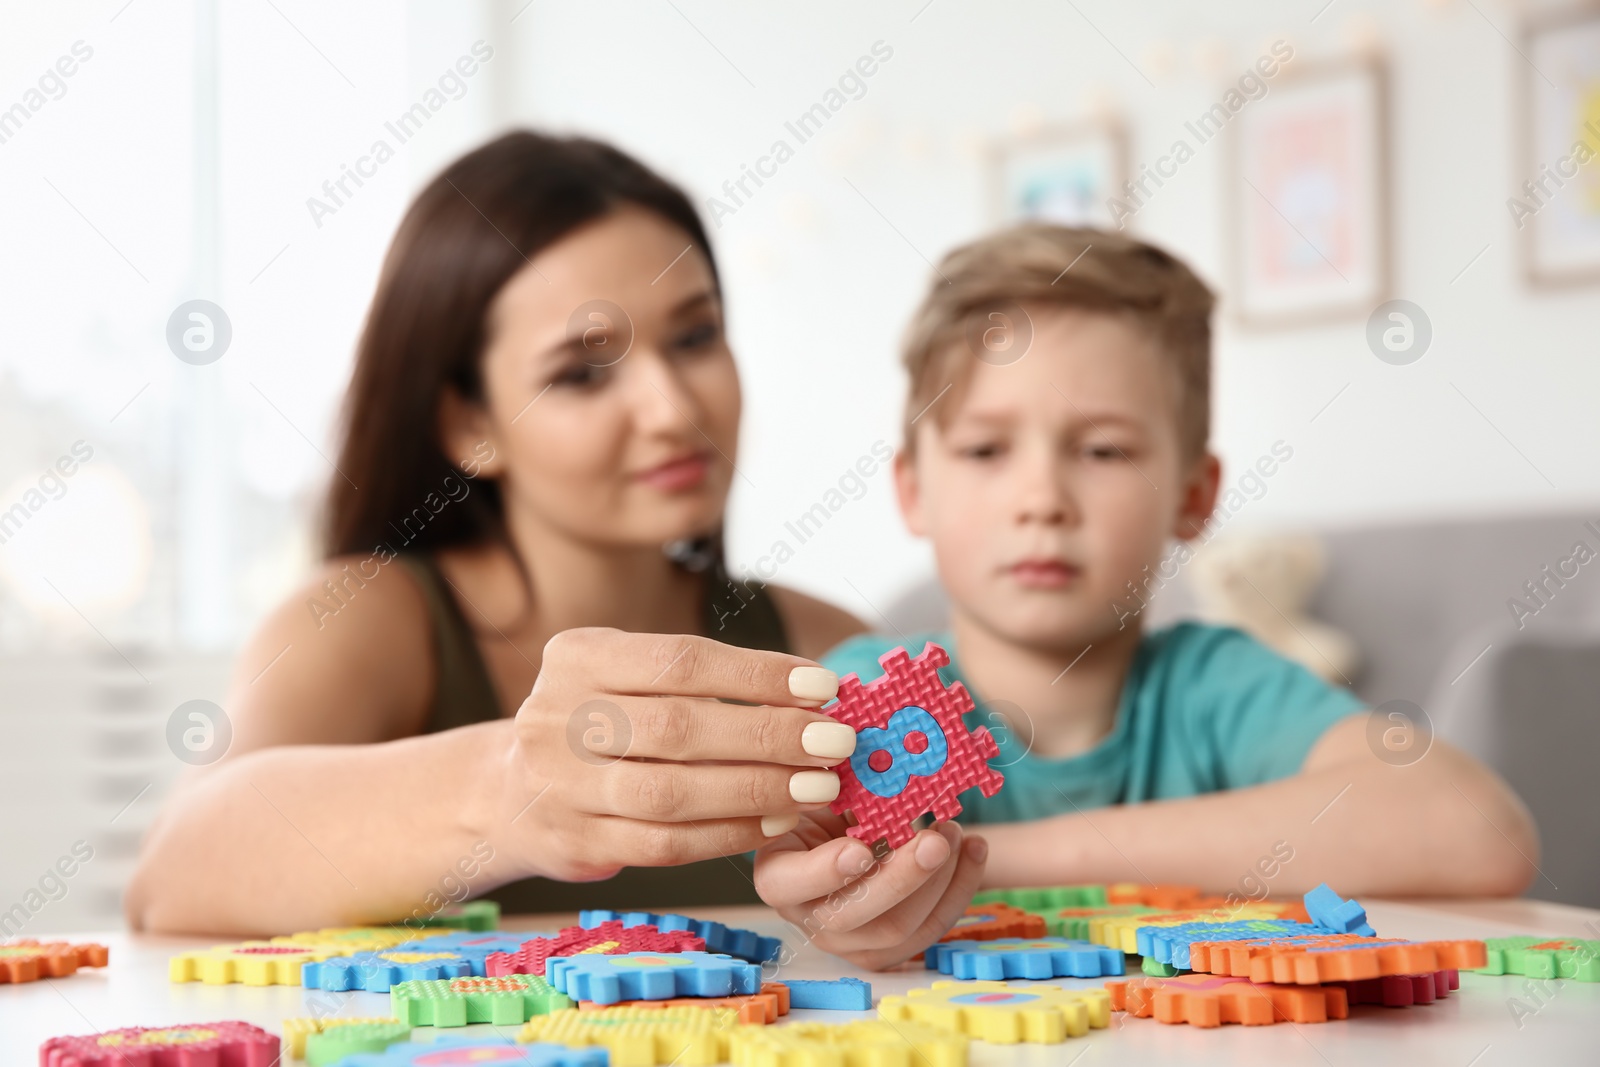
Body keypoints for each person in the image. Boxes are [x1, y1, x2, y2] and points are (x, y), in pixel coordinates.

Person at [126, 132, 984, 942]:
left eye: (695, 336)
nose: (673, 410)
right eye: (582, 371)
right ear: (469, 424)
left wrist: (883, 915)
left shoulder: (826, 646)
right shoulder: (367, 618)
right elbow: (172, 875)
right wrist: (505, 787)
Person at [752, 224, 1540, 970]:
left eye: (1103, 449)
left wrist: (1001, 864)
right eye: (987, 448)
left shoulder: (1215, 685)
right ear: (914, 489)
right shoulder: (861, 696)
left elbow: (1478, 830)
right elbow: (797, 873)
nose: (1042, 498)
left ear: (1194, 494)